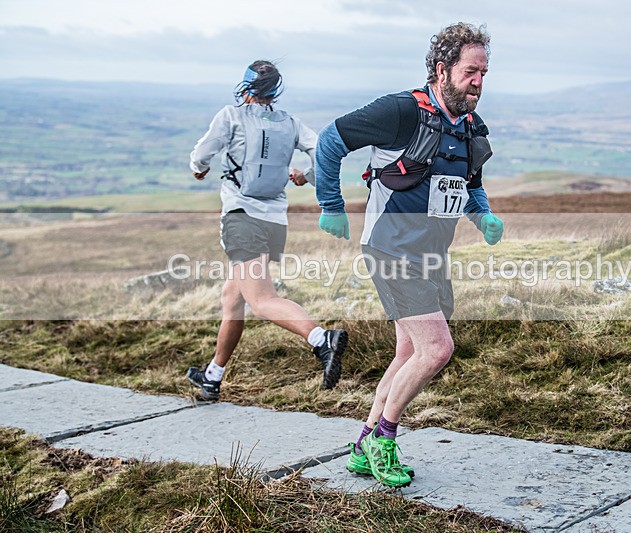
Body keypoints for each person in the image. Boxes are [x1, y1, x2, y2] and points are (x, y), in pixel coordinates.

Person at [314, 23, 504, 487]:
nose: (478, 81)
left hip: (431, 254)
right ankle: (384, 439)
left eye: (484, 72)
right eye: (469, 72)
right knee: (437, 349)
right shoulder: (401, 111)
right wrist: (331, 206)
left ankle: (363, 444)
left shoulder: (471, 128)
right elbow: (329, 140)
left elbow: (470, 184)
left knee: (409, 349)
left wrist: (484, 216)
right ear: (442, 70)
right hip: (391, 248)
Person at [186, 60, 348, 401]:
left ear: (245, 87)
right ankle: (213, 377)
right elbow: (326, 153)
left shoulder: (231, 116)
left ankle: (322, 340)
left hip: (243, 217)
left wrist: (199, 169)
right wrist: (307, 175)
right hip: (275, 221)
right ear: (276, 90)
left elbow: (203, 154)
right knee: (233, 299)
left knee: (261, 302)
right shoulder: (290, 122)